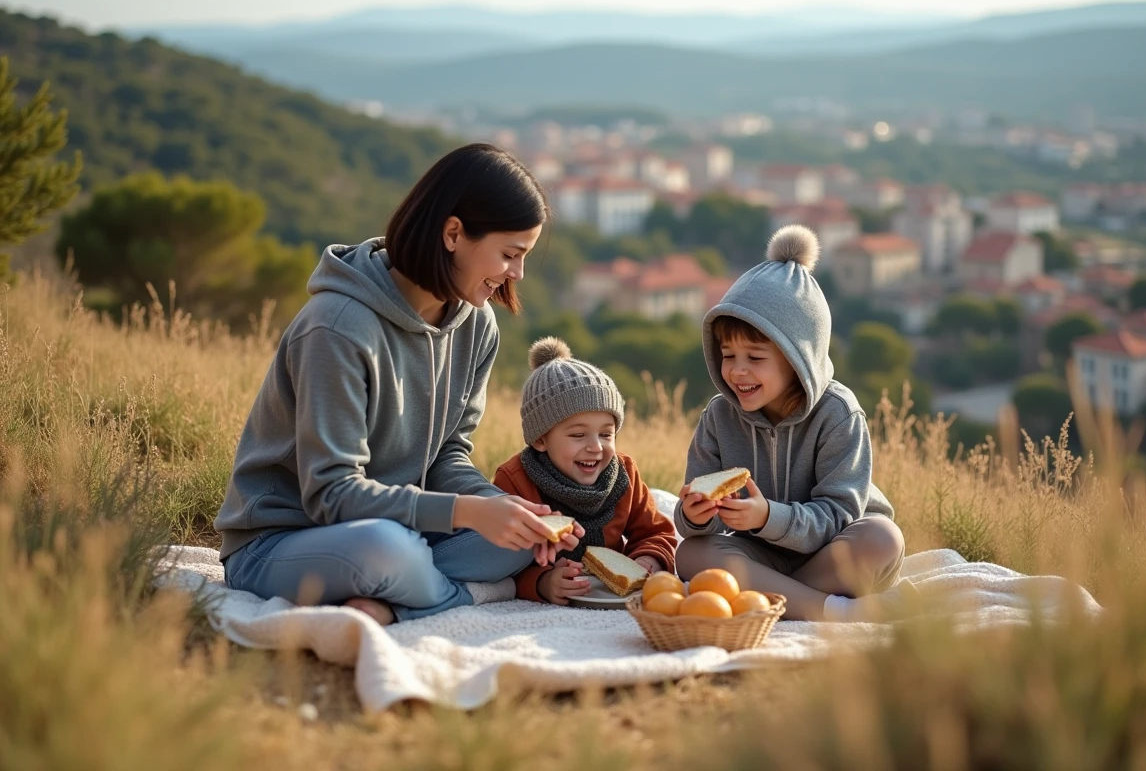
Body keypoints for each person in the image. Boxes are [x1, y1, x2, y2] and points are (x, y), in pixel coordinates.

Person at [215, 143, 577, 626]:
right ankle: (465, 595)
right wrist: (465, 514)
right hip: (284, 539)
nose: (518, 273)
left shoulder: (477, 324)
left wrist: (503, 510)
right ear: (453, 233)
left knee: (517, 541)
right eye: (510, 254)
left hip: (400, 527)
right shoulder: (337, 326)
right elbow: (332, 496)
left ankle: (393, 597)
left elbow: (448, 455)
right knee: (388, 551)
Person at [674, 225, 910, 622]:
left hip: (831, 549)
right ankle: (832, 611)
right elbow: (698, 525)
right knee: (691, 554)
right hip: (760, 554)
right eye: (728, 355)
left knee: (883, 538)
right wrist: (695, 516)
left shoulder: (839, 415)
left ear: (798, 358)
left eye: (755, 357)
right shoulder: (718, 417)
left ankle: (776, 597)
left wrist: (768, 517)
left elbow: (839, 515)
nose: (737, 371)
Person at [492, 337, 677, 605]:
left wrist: (648, 559)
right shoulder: (515, 480)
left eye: (606, 434)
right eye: (578, 435)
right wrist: (541, 582)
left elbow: (656, 532)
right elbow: (499, 560)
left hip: (613, 596)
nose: (595, 447)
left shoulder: (624, 474)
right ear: (540, 439)